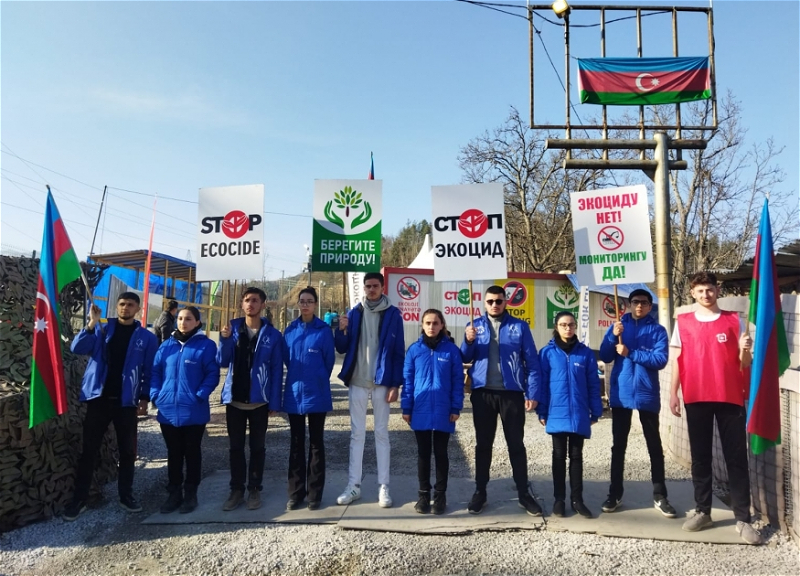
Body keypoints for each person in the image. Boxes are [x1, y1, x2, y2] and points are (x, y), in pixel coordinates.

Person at [669, 272, 762, 545]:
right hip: (696, 396)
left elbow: (743, 363)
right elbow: (677, 360)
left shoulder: (735, 320)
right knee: (700, 457)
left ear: (717, 290)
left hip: (730, 396)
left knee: (736, 458)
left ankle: (743, 518)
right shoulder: (683, 322)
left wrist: (745, 349)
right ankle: (703, 511)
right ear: (692, 293)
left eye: (709, 289)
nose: (705, 295)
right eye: (700, 291)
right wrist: (673, 393)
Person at [63, 293, 158, 521]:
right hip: (99, 399)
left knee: (127, 451)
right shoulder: (103, 329)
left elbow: (149, 369)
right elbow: (77, 348)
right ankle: (80, 498)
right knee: (89, 450)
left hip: (126, 402)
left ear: (138, 308)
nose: (125, 308)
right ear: (116, 307)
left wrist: (144, 398)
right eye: (122, 304)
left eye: (130, 305)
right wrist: (92, 323)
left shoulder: (146, 337)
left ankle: (126, 495)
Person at [461, 285, 543, 516]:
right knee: (483, 445)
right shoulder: (474, 326)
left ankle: (524, 494)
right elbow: (465, 357)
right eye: (490, 301)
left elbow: (532, 362)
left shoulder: (519, 326)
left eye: (498, 301)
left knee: (516, 445)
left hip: (512, 393)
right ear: (484, 303)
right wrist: (468, 341)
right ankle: (480, 491)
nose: (494, 305)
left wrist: (533, 392)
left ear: (506, 301)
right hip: (483, 393)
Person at [598, 289, 676, 518]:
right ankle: (615, 493)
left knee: (654, 445)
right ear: (629, 305)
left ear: (650, 306)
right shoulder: (619, 326)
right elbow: (606, 354)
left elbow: (660, 360)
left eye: (644, 302)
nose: (639, 306)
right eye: (635, 302)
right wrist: (613, 336)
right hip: (621, 393)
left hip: (646, 394)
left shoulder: (658, 331)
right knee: (618, 446)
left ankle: (660, 495)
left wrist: (631, 352)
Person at [334, 272, 405, 508]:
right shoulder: (354, 313)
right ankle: (353, 485)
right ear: (363, 288)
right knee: (356, 435)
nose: (371, 289)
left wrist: (395, 384)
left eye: (375, 286)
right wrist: (341, 329)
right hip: (357, 381)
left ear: (383, 287)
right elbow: (342, 348)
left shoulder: (393, 314)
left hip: (382, 383)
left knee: (382, 434)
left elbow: (398, 352)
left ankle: (384, 487)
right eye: (367, 286)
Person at [217, 287, 283, 512]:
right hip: (234, 401)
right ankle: (236, 489)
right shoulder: (232, 328)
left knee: (257, 448)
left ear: (263, 304)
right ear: (242, 304)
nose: (250, 304)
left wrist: (274, 401)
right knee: (235, 448)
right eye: (246, 300)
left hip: (259, 402)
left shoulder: (273, 335)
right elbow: (223, 362)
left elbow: (276, 370)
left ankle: (254, 488)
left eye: (255, 300)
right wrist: (224, 339)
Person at [151, 307, 220, 514]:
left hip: (194, 411)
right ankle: (174, 493)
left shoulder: (206, 346)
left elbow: (212, 375)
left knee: (192, 453)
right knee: (173, 453)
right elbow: (155, 372)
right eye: (180, 318)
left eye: (188, 319)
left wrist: (199, 395)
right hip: (168, 411)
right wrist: (156, 395)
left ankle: (191, 493)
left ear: (197, 322)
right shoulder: (166, 346)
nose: (183, 322)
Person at [537, 311, 603, 518]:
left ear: (576, 327)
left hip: (579, 413)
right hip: (556, 412)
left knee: (576, 456)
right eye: (563, 325)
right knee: (558, 456)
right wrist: (542, 409)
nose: (568, 328)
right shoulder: (547, 353)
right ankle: (559, 499)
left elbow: (593, 384)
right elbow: (542, 385)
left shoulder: (585, 353)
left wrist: (596, 409)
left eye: (571, 325)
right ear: (556, 327)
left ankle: (577, 500)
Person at [402, 309, 464, 515]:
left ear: (442, 325)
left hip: (443, 410)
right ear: (422, 325)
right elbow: (408, 382)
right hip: (420, 409)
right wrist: (406, 407)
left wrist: (456, 407)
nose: (431, 327)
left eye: (435, 323)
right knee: (423, 453)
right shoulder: (414, 351)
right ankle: (423, 495)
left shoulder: (451, 351)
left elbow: (457, 382)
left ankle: (440, 496)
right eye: (427, 323)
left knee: (441, 453)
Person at [282, 287, 335, 510]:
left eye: (309, 301)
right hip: (295, 395)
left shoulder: (323, 331)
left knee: (315, 444)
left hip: (317, 394)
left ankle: (315, 494)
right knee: (296, 444)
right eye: (302, 301)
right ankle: (295, 493)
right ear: (298, 304)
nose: (305, 305)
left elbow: (329, 361)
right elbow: (287, 360)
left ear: (315, 304)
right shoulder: (290, 330)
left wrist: (318, 378)